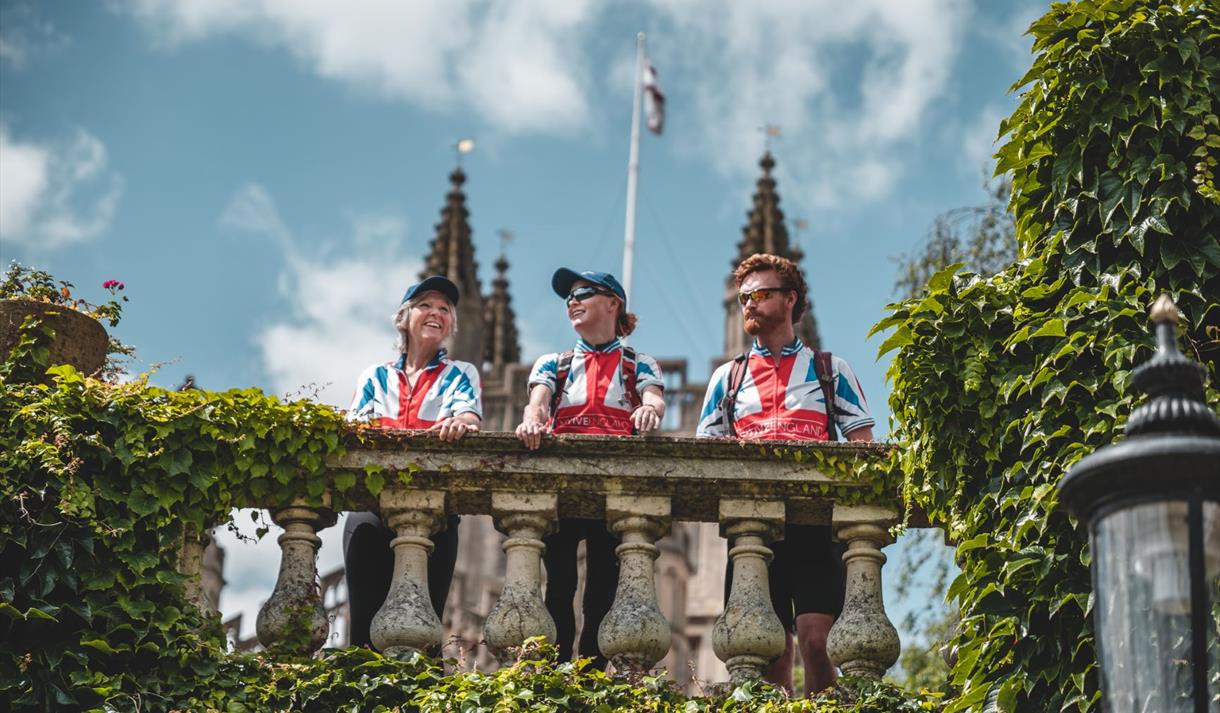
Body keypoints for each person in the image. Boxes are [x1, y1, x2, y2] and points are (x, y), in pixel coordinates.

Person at [696, 253, 874, 696]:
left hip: (817, 526)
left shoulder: (831, 371)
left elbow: (865, 448)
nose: (749, 305)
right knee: (770, 653)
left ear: (790, 299)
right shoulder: (727, 377)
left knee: (818, 643)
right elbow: (702, 454)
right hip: (753, 530)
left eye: (760, 294)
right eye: (742, 298)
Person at [514, 268, 666, 668]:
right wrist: (533, 418)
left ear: (613, 303)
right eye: (568, 297)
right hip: (564, 487)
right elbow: (538, 401)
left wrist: (650, 408)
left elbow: (653, 397)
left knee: (603, 588)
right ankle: (558, 670)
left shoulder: (638, 361)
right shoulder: (555, 362)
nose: (572, 302)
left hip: (614, 490)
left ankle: (592, 676)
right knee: (559, 585)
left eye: (583, 293)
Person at [343, 275, 482, 649]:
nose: (436, 313)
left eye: (445, 309)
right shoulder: (375, 376)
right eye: (426, 305)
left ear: (451, 324)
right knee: (362, 634)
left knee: (426, 632)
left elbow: (470, 417)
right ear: (404, 318)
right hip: (371, 512)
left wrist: (461, 422)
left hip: (435, 514)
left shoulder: (460, 374)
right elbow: (354, 431)